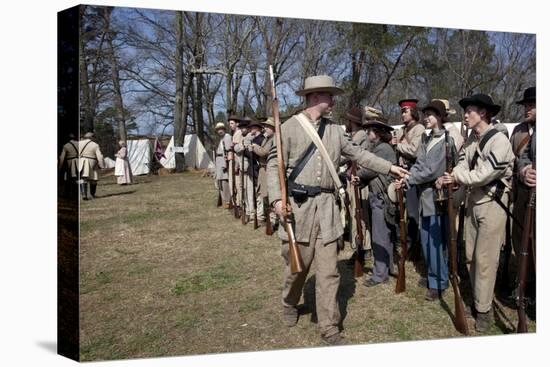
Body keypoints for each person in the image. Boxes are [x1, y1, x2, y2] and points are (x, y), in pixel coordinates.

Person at [266, 75, 408, 345]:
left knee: (329, 272)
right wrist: (276, 200)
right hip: (299, 209)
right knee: (298, 269)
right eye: (329, 95)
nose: (333, 100)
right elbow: (274, 165)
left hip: (328, 209)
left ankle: (329, 327)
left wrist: (390, 167)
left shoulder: (334, 131)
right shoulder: (289, 128)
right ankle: (288, 303)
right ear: (316, 97)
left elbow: (360, 155)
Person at [438, 93, 514, 332]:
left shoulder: (499, 141)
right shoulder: (471, 138)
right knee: (470, 255)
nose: (466, 115)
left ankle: (484, 310)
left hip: (493, 204)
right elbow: (462, 162)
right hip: (473, 202)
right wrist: (455, 174)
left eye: (469, 111)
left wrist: (456, 177)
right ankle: (480, 300)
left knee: (485, 260)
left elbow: (483, 174)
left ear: (482, 113)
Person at [396, 100, 456, 300]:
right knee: (427, 241)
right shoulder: (426, 138)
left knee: (436, 243)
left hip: (437, 198)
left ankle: (439, 282)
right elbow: (420, 162)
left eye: (430, 114)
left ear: (439, 117)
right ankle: (433, 276)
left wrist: (409, 179)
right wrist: (409, 175)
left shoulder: (446, 140)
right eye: (426, 114)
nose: (427, 118)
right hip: (424, 196)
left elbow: (433, 170)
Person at [354, 119, 396, 287]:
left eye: (370, 131)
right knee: (384, 235)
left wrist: (359, 175)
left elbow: (371, 169)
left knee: (380, 237)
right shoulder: (377, 148)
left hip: (381, 198)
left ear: (377, 133)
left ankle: (380, 274)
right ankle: (386, 268)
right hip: (378, 196)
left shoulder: (382, 149)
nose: (368, 133)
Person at [511, 86, 536, 301]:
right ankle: (524, 283)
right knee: (519, 239)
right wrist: (523, 169)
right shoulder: (518, 130)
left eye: (532, 105)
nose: (527, 108)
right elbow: (517, 157)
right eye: (526, 105)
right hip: (521, 193)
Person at [391, 99, 425, 262]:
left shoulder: (419, 129)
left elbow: (415, 151)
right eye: (402, 111)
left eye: (405, 111)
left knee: (412, 212)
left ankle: (414, 245)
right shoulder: (400, 130)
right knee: (399, 209)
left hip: (413, 173)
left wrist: (397, 146)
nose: (403, 114)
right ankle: (403, 240)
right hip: (400, 172)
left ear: (413, 112)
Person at [343, 107, 373, 262]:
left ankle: (364, 247)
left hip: (359, 178)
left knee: (360, 214)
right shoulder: (353, 135)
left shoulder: (360, 135)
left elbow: (345, 153)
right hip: (352, 176)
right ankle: (359, 245)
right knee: (354, 213)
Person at [250, 117, 276, 227]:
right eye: (265, 126)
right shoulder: (267, 138)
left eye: (267, 126)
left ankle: (273, 220)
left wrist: (254, 146)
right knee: (263, 194)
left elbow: (264, 152)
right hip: (262, 169)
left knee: (270, 195)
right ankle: (268, 217)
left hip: (268, 169)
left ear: (273, 128)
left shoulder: (273, 139)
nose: (264, 128)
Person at [244, 118, 266, 223]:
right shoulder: (253, 140)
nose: (250, 130)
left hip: (258, 169)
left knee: (260, 194)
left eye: (252, 127)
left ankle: (260, 216)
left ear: (256, 128)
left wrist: (248, 151)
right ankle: (255, 215)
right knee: (252, 193)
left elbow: (258, 154)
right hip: (252, 169)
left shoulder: (261, 140)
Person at [78, 132, 105, 200]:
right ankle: (92, 194)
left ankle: (83, 194)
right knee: (93, 179)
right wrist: (102, 165)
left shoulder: (79, 143)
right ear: (92, 137)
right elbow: (100, 156)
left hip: (81, 161)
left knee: (82, 178)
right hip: (92, 162)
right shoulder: (95, 145)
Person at [214, 122, 233, 208]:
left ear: (224, 129)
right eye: (218, 129)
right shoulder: (221, 139)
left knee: (225, 182)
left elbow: (229, 151)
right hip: (219, 161)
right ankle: (223, 200)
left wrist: (226, 164)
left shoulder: (227, 137)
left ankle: (228, 201)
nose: (219, 131)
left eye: (221, 129)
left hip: (223, 162)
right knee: (221, 182)